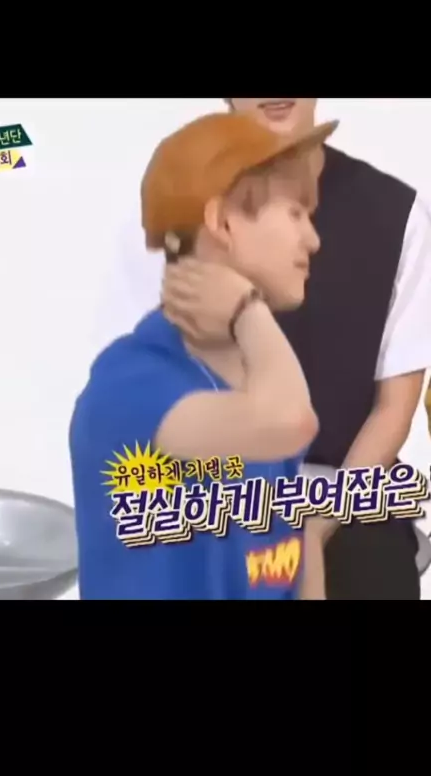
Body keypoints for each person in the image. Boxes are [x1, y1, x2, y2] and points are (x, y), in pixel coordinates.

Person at [69, 110, 339, 600]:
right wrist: (246, 309)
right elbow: (288, 424)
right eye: (295, 214)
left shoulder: (260, 376)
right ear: (222, 222)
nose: (313, 240)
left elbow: (292, 542)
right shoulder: (131, 382)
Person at [227, 98, 431, 600]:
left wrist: (319, 525)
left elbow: (393, 410)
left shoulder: (394, 214)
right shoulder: (180, 212)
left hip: (351, 491)